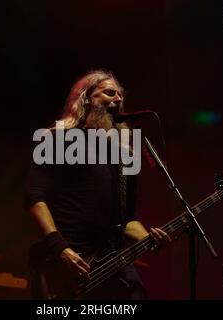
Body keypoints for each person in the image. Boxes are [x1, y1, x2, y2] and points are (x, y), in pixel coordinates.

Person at [24, 70, 169, 300]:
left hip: (113, 261)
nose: (119, 99)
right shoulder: (58, 139)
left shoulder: (125, 155)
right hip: (68, 261)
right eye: (109, 92)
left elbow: (127, 219)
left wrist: (148, 239)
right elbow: (34, 198)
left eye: (121, 95)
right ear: (87, 98)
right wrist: (60, 248)